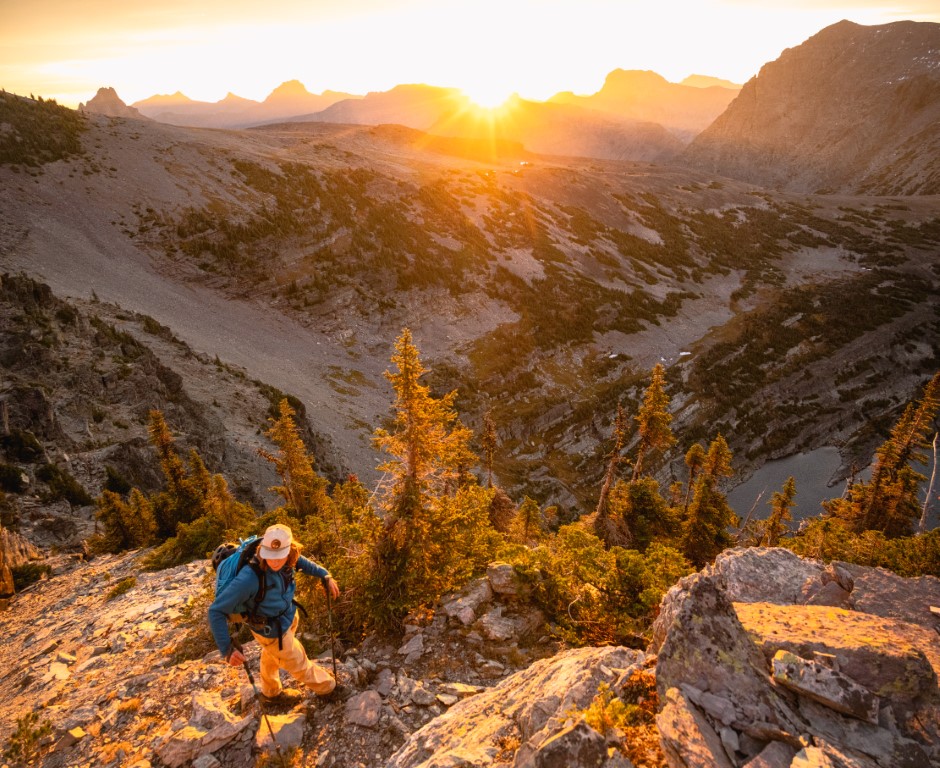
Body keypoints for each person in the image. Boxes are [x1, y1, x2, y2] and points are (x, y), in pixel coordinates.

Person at [208, 523, 341, 701]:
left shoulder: (289, 556)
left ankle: (270, 694)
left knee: (271, 655)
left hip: (287, 616)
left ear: (289, 550)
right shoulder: (249, 577)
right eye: (271, 555)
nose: (275, 561)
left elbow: (302, 562)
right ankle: (329, 689)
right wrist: (227, 649)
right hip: (270, 630)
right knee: (298, 662)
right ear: (263, 550)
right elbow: (215, 611)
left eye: (280, 555)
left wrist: (325, 575)